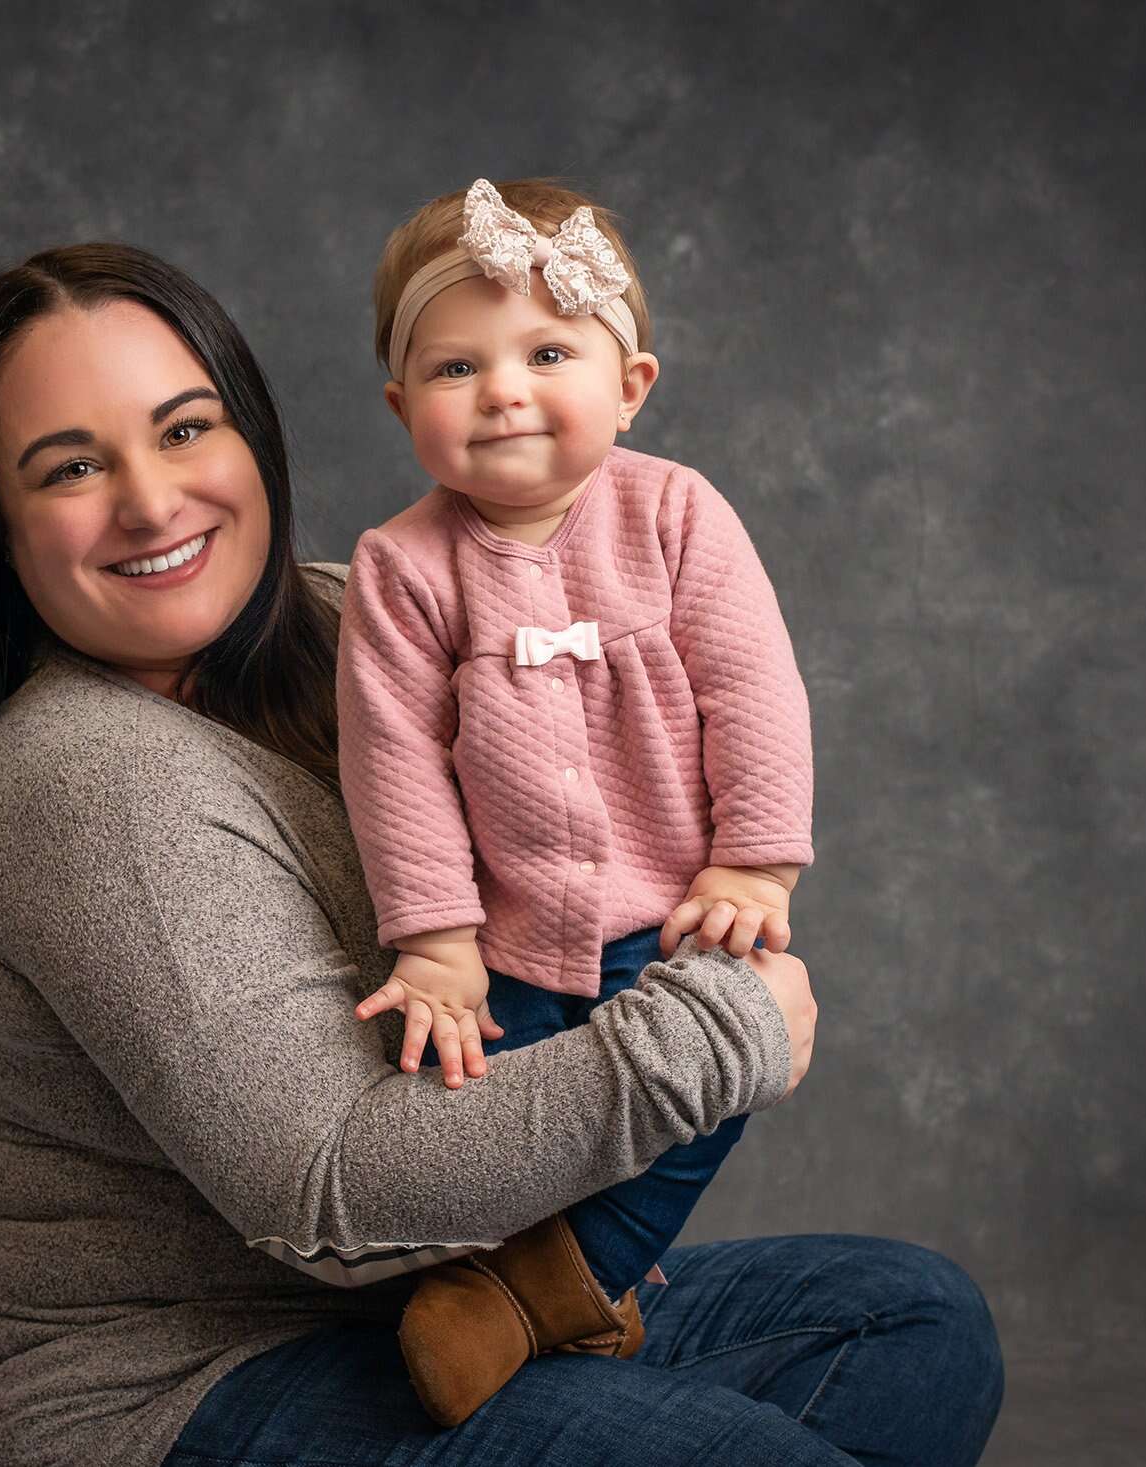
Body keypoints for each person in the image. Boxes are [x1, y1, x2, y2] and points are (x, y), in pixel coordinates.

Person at [0, 241, 1003, 1467]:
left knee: (910, 1322)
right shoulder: (85, 777)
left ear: (253, 440)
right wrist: (715, 1035)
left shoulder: (359, 613)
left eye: (183, 430)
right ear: (0, 532)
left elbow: (632, 779)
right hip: (173, 1385)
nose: (152, 503)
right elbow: (321, 1187)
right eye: (72, 467)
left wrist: (731, 870)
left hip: (421, 1313)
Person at [337, 177, 814, 1421]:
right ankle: (497, 1303)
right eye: (454, 369)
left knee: (714, 1079)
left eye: (547, 351)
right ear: (403, 409)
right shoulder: (402, 568)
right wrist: (434, 943)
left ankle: (542, 1298)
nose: (500, 389)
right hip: (502, 944)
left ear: (629, 384)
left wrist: (752, 868)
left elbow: (752, 695)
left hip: (669, 920)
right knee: (476, 1116)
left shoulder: (674, 517)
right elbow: (391, 761)